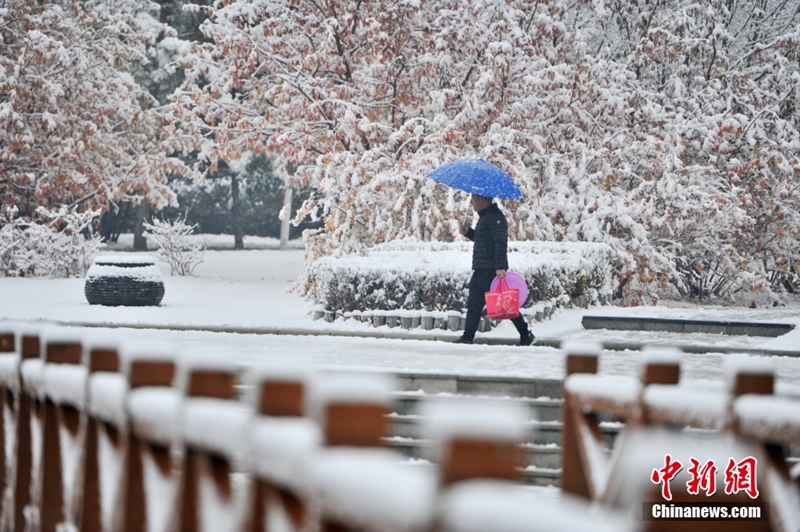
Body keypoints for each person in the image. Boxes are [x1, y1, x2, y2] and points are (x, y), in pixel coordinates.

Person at [454, 194, 536, 346]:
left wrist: (500, 267)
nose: (471, 204)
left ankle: (525, 334)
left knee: (502, 305)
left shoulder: (495, 218)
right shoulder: (486, 217)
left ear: (482, 200)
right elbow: (484, 240)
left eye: (473, 200)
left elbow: (500, 243)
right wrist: (468, 232)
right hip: (483, 268)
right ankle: (468, 337)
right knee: (480, 304)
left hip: (490, 270)